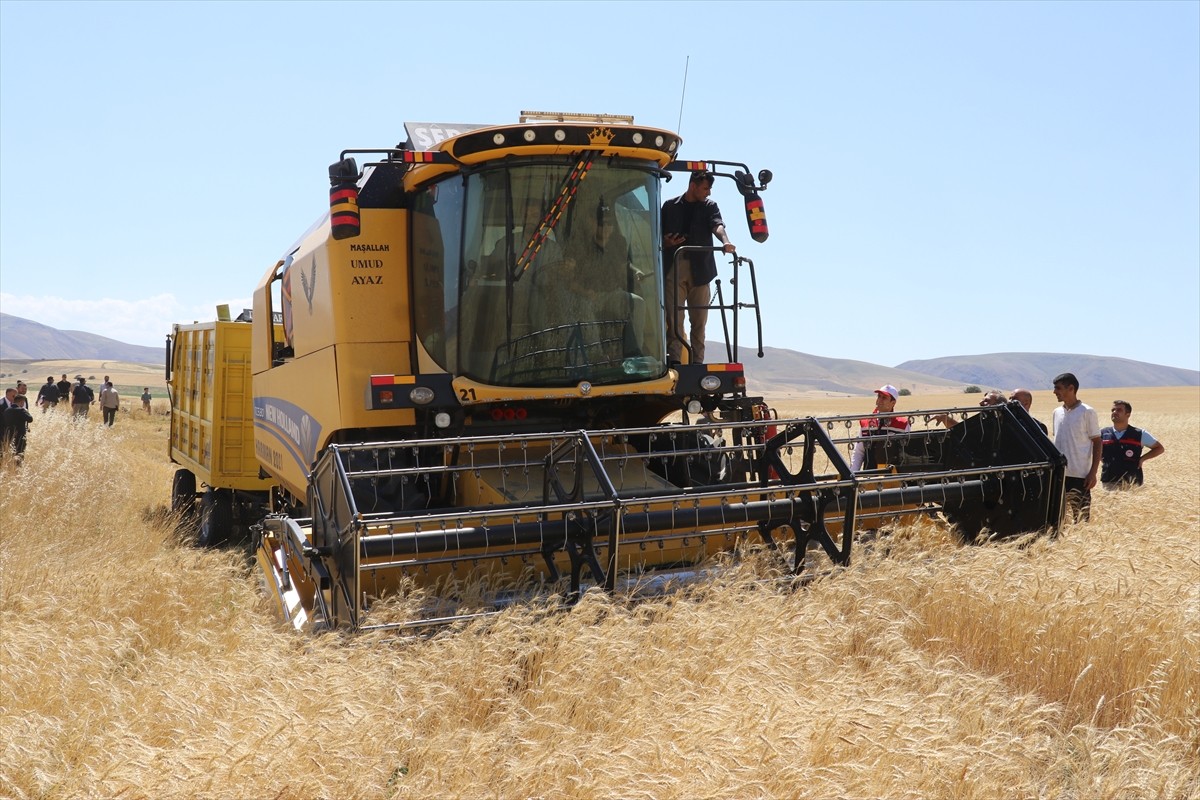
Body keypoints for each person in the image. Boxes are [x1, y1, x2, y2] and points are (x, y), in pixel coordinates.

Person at [661, 170, 735, 365]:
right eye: (705, 188)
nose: (708, 192)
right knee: (674, 318)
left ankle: (697, 362)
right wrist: (665, 242)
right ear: (693, 186)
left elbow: (717, 225)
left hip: (701, 270)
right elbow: (656, 234)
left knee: (699, 321)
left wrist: (726, 242)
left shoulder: (710, 207)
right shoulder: (669, 206)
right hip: (674, 268)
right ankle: (675, 360)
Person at [1050, 372, 1101, 522]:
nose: (1054, 392)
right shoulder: (1056, 412)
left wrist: (1093, 472)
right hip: (1059, 474)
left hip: (1080, 476)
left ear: (1071, 388)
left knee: (1081, 519)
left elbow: (1097, 442)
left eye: (1058, 388)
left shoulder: (1087, 412)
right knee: (1057, 520)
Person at [1100, 400, 1165, 489]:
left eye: (1119, 410)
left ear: (1128, 414)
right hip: (1109, 481)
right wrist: (1104, 461)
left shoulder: (1140, 434)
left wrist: (1142, 459)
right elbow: (1093, 449)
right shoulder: (1103, 434)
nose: (1114, 412)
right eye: (1113, 410)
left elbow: (1159, 448)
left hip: (1132, 482)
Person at [850, 384, 910, 471]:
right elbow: (859, 452)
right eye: (879, 396)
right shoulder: (866, 422)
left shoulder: (903, 424)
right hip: (869, 476)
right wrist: (852, 474)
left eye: (884, 398)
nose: (879, 400)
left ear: (893, 403)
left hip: (893, 478)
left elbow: (906, 453)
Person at [934, 390, 1005, 428]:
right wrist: (945, 418)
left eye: (986, 401)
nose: (980, 402)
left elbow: (963, 434)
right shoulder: (981, 421)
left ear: (997, 405)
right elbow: (963, 432)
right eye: (982, 400)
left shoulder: (999, 425)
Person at [2, 395, 32, 464]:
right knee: (20, 452)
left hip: (9, 434)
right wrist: (26, 411)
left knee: (11, 452)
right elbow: (30, 419)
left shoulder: (7, 410)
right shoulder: (21, 410)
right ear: (21, 402)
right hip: (20, 435)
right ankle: (18, 466)